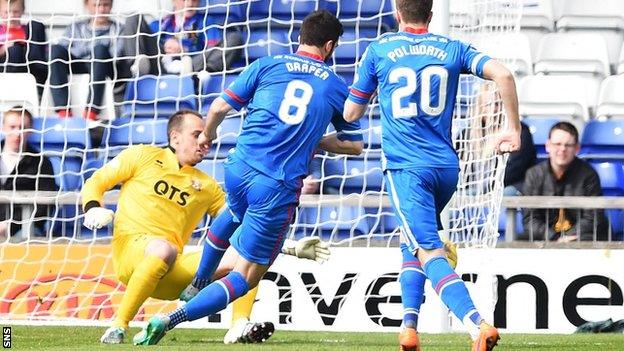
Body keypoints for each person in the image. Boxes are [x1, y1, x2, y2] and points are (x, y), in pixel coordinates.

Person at [132, 10, 363, 345]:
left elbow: (217, 109)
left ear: (299, 37)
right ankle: (170, 319)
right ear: (329, 46)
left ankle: (198, 280)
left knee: (234, 213)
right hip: (276, 185)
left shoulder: (267, 65)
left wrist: (207, 136)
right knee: (247, 275)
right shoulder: (334, 85)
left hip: (239, 168)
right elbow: (355, 145)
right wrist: (317, 140)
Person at [342, 1, 521, 350]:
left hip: (407, 169)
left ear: (397, 12)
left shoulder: (379, 50)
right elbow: (504, 75)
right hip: (445, 168)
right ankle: (409, 327)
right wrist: (512, 129)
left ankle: (476, 325)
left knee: (428, 250)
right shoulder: (452, 48)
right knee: (411, 242)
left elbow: (351, 112)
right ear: (432, 13)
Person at [81, 110, 329, 344]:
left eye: (207, 135)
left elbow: (247, 225)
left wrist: (289, 247)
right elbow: (98, 180)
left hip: (173, 271)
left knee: (248, 255)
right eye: (196, 134)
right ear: (175, 137)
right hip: (131, 256)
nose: (205, 140)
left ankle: (240, 324)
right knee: (162, 248)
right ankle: (118, 326)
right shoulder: (142, 156)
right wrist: (92, 207)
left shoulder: (207, 185)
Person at [521, 122, 608, 241]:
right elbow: (530, 219)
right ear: (547, 146)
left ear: (577, 148)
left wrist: (567, 237)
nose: (562, 149)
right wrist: (554, 238)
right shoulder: (534, 175)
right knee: (518, 240)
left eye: (568, 145)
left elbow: (593, 217)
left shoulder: (589, 175)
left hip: (581, 237)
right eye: (557, 144)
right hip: (546, 237)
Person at [49, 0, 130, 121]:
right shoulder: (75, 27)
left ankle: (91, 112)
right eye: (97, 5)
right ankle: (63, 112)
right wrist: (92, 47)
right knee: (56, 50)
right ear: (87, 6)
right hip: (79, 65)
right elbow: (64, 48)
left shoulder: (119, 29)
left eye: (105, 5)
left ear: (111, 6)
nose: (101, 10)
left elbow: (115, 55)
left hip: (105, 68)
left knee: (100, 50)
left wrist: (87, 48)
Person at [121, 0, 242, 76]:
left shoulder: (206, 22)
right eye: (184, 0)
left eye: (194, 0)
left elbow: (212, 50)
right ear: (174, 1)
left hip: (192, 66)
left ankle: (197, 70)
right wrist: (163, 46)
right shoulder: (159, 24)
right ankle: (138, 63)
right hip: (158, 65)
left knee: (234, 39)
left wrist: (185, 50)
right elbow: (150, 44)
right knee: (133, 19)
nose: (189, 3)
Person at [456, 83, 536, 196]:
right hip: (473, 190)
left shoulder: (519, 131)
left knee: (508, 193)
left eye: (498, 104)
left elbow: (516, 170)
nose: (493, 109)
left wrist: (488, 186)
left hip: (508, 187)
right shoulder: (467, 134)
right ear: (480, 108)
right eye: (489, 105)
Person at [0, 106, 57, 238]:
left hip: (24, 229)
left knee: (29, 237)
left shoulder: (42, 163)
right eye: (12, 127)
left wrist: (9, 225)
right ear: (3, 128)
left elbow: (45, 207)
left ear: (30, 130)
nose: (17, 133)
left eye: (23, 128)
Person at [0, 0, 47, 97]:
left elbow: (42, 50)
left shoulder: (28, 29)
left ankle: (38, 85)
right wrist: (4, 48)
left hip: (30, 64)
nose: (11, 15)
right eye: (7, 12)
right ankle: (13, 92)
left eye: (16, 11)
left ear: (22, 10)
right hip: (7, 66)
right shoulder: (1, 30)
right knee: (14, 50)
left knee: (36, 25)